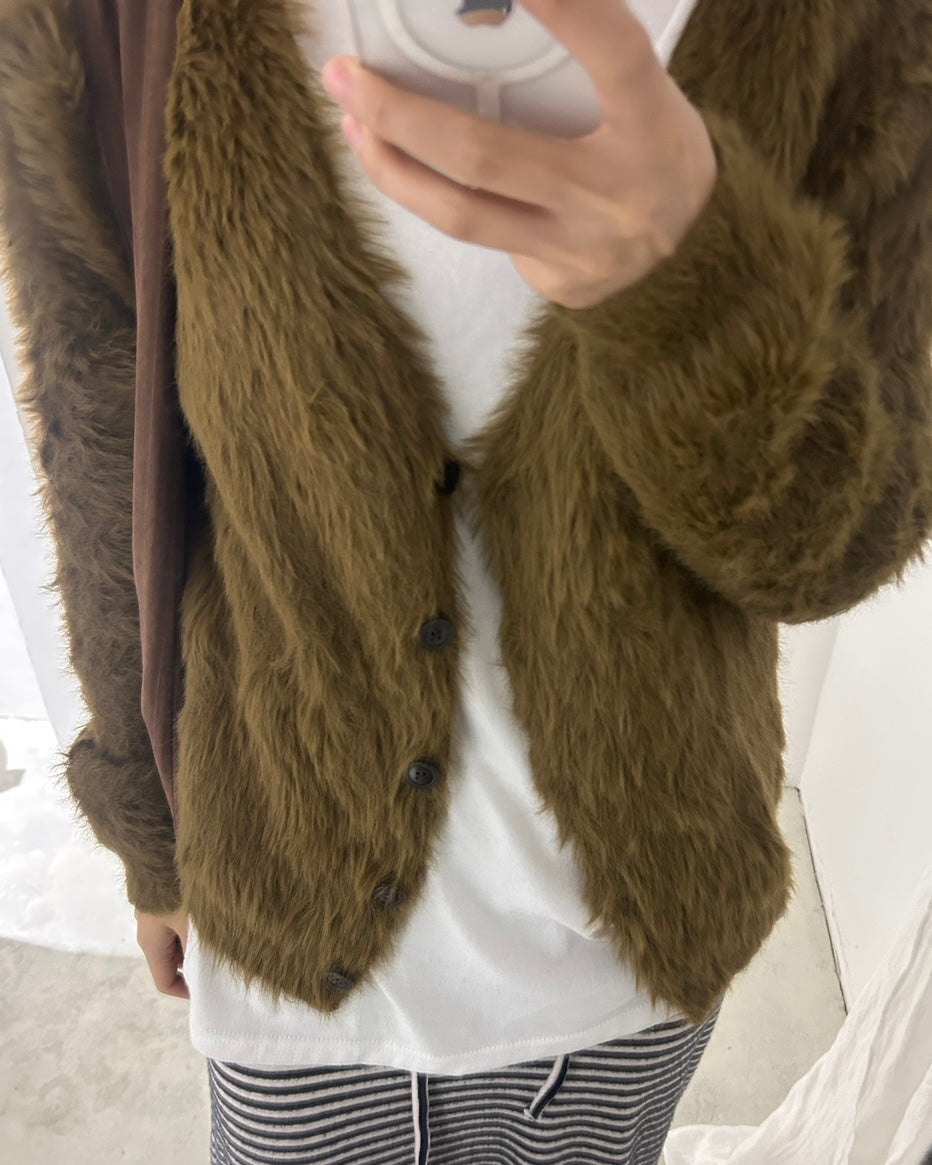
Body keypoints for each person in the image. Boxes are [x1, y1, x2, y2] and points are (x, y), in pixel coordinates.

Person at [1, 0, 930, 1162]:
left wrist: (698, 288)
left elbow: (834, 541)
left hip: (625, 949)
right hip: (291, 929)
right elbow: (101, 444)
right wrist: (146, 823)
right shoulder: (111, 22)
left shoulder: (852, 22)